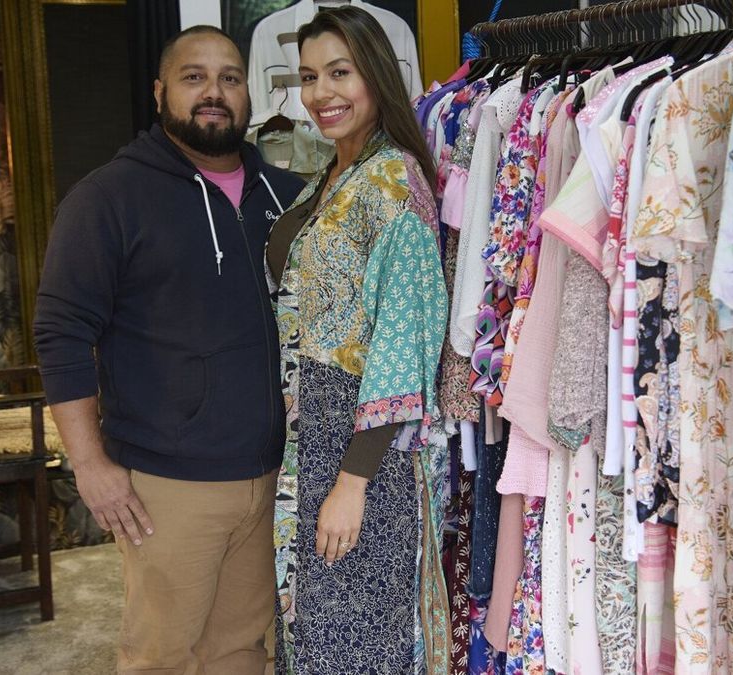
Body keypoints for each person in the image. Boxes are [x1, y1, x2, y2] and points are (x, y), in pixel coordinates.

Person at [33, 25, 303, 674]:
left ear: (248, 94)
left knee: (243, 649)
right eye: (194, 77)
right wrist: (91, 464)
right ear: (160, 92)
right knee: (161, 655)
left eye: (230, 78)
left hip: (272, 474)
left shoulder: (287, 198)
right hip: (166, 483)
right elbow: (61, 330)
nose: (215, 92)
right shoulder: (109, 198)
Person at [265, 6, 450, 673]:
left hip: (361, 449)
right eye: (310, 76)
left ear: (374, 75)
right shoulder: (334, 175)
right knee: (313, 631)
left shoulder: (395, 181)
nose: (321, 93)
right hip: (308, 435)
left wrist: (353, 481)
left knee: (357, 640)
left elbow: (405, 343)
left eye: (340, 72)